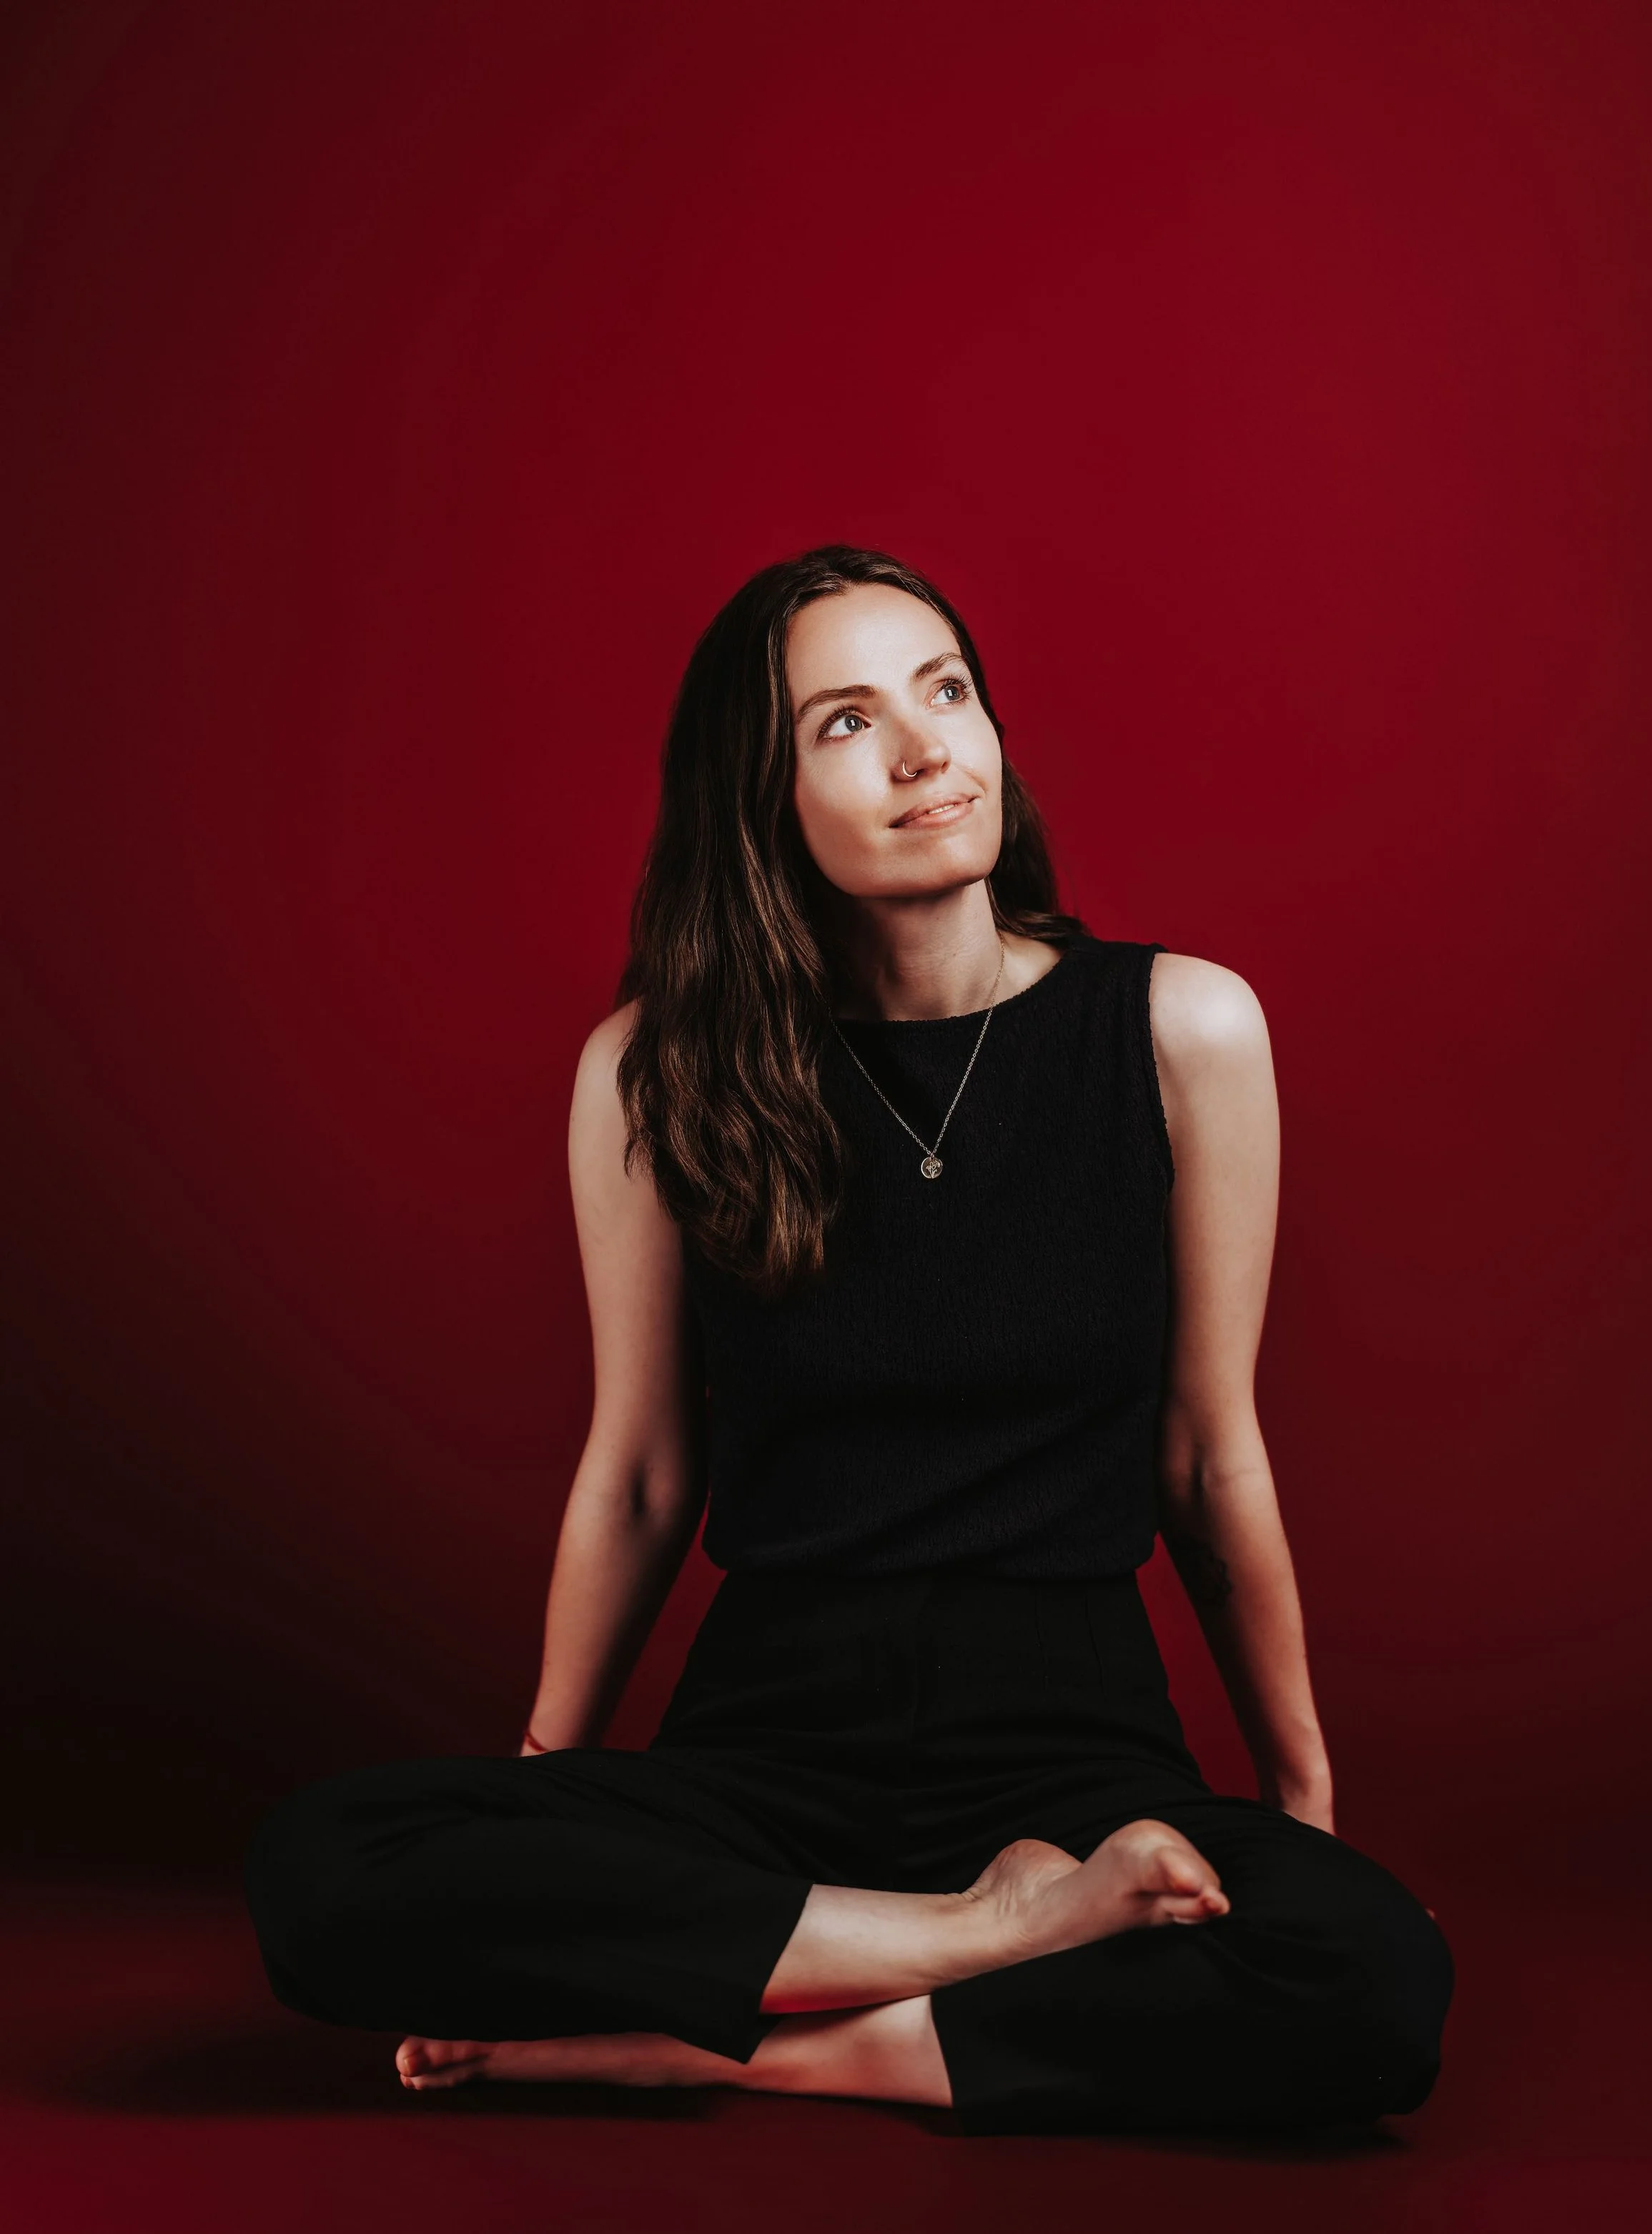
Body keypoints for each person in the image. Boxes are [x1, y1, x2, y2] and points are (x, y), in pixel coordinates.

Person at [244, 545, 1453, 2135]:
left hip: (1069, 1752)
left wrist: (1301, 1802)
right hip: (768, 1753)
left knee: (1368, 1976)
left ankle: (728, 2038)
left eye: (945, 690)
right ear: (762, 802)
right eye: (842, 722)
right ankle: (976, 1938)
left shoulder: (1178, 1030)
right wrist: (544, 1783)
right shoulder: (654, 1073)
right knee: (321, 1868)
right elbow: (639, 1472)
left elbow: (1204, 1450)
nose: (922, 747)